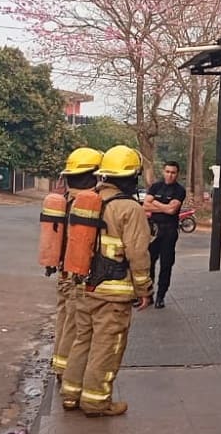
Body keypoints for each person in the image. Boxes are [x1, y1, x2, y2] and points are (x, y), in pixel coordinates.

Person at [60, 145, 153, 418]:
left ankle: (70, 395)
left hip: (83, 287)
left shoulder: (85, 200)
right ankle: (96, 402)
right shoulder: (129, 208)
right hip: (113, 294)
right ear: (129, 177)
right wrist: (144, 289)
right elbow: (138, 253)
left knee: (82, 341)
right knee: (107, 347)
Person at [50, 147, 103, 379]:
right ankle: (66, 370)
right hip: (78, 275)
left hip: (63, 272)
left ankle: (59, 364)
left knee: (64, 318)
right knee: (75, 324)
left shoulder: (63, 201)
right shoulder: (89, 204)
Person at [143, 160, 186, 309]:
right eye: (167, 172)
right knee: (149, 264)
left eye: (173, 173)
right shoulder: (155, 186)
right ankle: (147, 295)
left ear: (177, 174)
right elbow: (145, 206)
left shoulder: (179, 190)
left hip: (169, 231)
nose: (170, 175)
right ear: (163, 172)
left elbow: (171, 211)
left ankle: (161, 296)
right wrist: (164, 206)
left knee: (166, 265)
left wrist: (155, 203)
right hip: (154, 231)